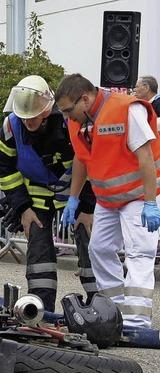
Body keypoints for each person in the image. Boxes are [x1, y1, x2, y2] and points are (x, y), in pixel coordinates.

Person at [56, 73, 160, 328]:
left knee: (139, 252)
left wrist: (150, 202)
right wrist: (73, 199)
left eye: (69, 110)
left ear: (85, 99)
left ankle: (136, 320)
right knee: (99, 249)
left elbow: (145, 156)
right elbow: (82, 158)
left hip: (138, 195)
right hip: (107, 199)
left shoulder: (126, 109)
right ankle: (115, 312)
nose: (67, 117)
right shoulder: (76, 121)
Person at [0, 75, 96, 312]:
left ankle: (98, 306)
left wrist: (88, 207)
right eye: (24, 116)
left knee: (88, 241)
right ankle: (40, 309)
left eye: (34, 116)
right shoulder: (11, 127)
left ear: (48, 110)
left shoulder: (68, 122)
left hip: (76, 193)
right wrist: (22, 208)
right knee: (39, 249)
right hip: (35, 198)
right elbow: (5, 170)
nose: (28, 121)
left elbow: (90, 162)